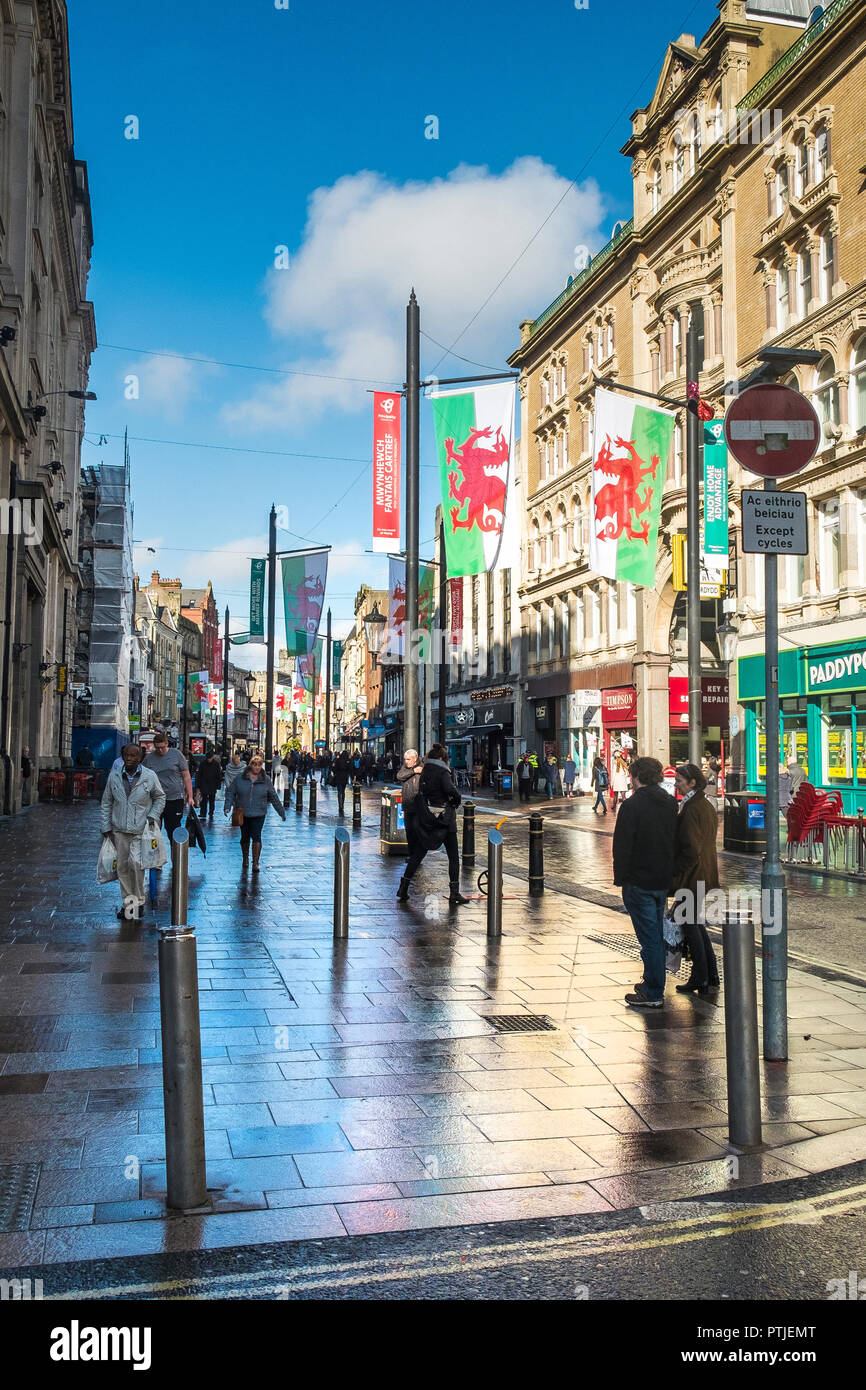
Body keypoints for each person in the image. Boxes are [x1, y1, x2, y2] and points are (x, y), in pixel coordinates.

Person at [612, 756, 678, 1009]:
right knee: (655, 934)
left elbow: (623, 846)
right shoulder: (670, 803)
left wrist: (622, 878)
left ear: (637, 776)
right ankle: (652, 982)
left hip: (639, 880)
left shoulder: (632, 806)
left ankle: (653, 991)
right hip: (661, 879)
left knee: (649, 937)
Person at [397, 743, 469, 906]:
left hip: (427, 818)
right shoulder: (442, 771)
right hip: (444, 818)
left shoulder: (426, 770)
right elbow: (450, 789)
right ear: (443, 758)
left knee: (418, 853)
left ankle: (403, 887)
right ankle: (454, 892)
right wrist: (456, 799)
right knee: (453, 856)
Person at [671, 763, 721, 995]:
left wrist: (676, 871)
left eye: (680, 781)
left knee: (690, 925)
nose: (676, 784)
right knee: (695, 924)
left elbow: (691, 847)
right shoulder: (704, 804)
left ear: (692, 782)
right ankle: (710, 974)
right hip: (704, 873)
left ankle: (700, 977)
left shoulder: (692, 808)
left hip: (692, 876)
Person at [100, 744, 165, 920]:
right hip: (119, 828)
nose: (129, 759)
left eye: (133, 756)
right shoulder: (114, 776)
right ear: (122, 756)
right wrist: (105, 826)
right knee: (122, 867)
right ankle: (129, 905)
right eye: (126, 755)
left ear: (140, 758)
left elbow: (160, 797)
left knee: (136, 864)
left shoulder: (149, 776)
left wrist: (153, 816)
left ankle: (139, 901)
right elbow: (106, 802)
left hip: (140, 829)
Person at [223, 751, 286, 871]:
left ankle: (255, 862)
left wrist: (281, 812)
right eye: (254, 764)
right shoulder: (240, 778)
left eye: (258, 765)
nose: (256, 767)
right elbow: (231, 792)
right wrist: (227, 806)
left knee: (256, 836)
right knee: (245, 837)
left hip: (259, 812)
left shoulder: (265, 779)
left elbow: (273, 796)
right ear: (250, 765)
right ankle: (245, 858)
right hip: (243, 812)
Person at [144, 731, 192, 841]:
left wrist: (190, 796)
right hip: (155, 800)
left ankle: (176, 857)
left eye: (162, 747)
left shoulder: (177, 754)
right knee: (153, 831)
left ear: (167, 744)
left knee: (173, 831)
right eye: (157, 748)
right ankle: (155, 856)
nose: (160, 750)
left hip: (174, 799)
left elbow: (186, 776)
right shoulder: (149, 759)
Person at [396, 748, 423, 865]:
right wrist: (413, 771)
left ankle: (417, 856)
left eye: (409, 759)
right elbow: (400, 776)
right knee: (409, 831)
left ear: (415, 759)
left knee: (418, 831)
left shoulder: (423, 766)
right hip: (407, 805)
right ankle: (412, 855)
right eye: (405, 759)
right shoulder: (406, 768)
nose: (407, 762)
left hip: (419, 805)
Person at [196, 749, 223, 820]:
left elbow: (218, 776)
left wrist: (218, 785)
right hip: (205, 784)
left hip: (212, 784)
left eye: (210, 758)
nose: (209, 760)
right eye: (208, 758)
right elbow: (199, 775)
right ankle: (203, 813)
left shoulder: (216, 764)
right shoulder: (203, 764)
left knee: (211, 800)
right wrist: (198, 785)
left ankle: (211, 813)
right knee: (204, 800)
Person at [331, 749, 353, 815]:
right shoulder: (348, 761)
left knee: (339, 791)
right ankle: (342, 804)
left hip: (338, 777)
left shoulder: (338, 760)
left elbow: (334, 769)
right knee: (343, 791)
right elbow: (351, 769)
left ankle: (340, 804)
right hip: (344, 778)